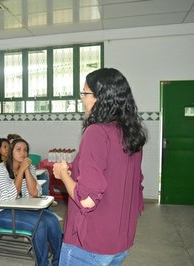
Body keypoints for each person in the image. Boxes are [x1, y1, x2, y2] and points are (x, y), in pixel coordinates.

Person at [53, 68, 147, 265]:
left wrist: (63, 174)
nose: (82, 99)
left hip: (90, 243)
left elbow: (87, 200)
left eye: (85, 93)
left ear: (100, 97)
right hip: (120, 241)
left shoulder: (96, 132)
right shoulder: (131, 133)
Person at [0, 138, 62, 266]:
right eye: (18, 149)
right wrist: (21, 171)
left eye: (25, 150)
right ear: (11, 152)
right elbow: (10, 197)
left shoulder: (30, 168)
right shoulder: (1, 169)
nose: (22, 153)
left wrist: (27, 170)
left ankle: (58, 261)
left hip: (21, 209)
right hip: (1, 212)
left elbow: (35, 193)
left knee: (52, 220)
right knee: (38, 225)